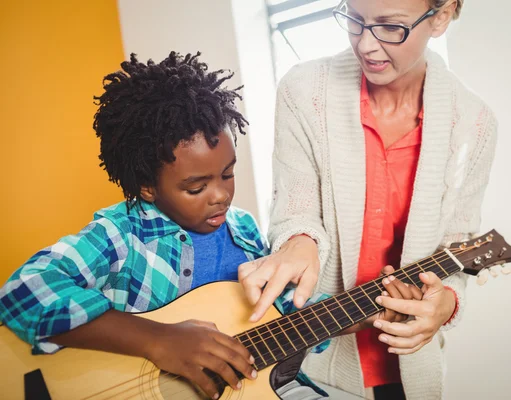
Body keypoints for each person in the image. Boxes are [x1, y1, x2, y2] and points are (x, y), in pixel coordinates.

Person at [0, 51, 333, 400]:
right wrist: (156, 340)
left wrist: (360, 312)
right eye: (196, 187)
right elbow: (24, 290)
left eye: (228, 174)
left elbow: (280, 309)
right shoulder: (121, 236)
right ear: (147, 186)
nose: (220, 195)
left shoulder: (244, 230)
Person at [238, 0, 498, 399]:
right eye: (355, 20)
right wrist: (298, 242)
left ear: (441, 16)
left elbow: (458, 247)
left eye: (390, 27)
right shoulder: (303, 91)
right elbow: (295, 209)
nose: (366, 45)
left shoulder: (475, 124)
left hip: (405, 364)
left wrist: (446, 305)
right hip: (306, 360)